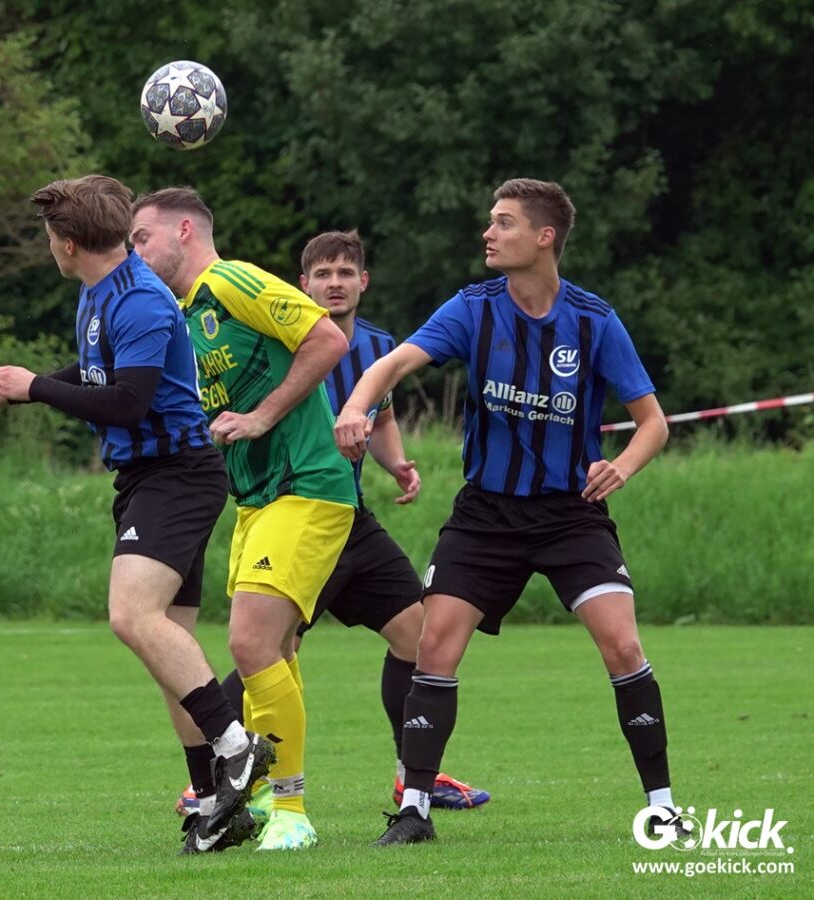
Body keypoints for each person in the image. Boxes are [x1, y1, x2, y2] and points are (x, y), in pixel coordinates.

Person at [334, 178, 682, 846]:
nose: (488, 234)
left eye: (503, 223)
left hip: (571, 514)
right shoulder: (473, 308)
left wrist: (622, 466)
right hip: (485, 517)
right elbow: (393, 365)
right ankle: (414, 812)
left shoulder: (593, 320)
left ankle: (662, 809)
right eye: (490, 221)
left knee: (623, 646)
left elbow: (653, 423)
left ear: (544, 237)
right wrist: (355, 406)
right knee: (435, 645)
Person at [0, 174, 274, 855]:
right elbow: (101, 375)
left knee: (131, 616)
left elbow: (129, 402)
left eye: (50, 237)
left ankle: (236, 747)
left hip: (177, 476)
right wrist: (19, 386)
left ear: (68, 243)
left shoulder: (137, 299)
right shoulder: (100, 291)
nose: (50, 247)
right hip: (147, 478)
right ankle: (214, 804)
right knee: (171, 647)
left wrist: (34, 387)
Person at [178, 230, 489, 817]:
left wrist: (397, 465)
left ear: (363, 282)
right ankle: (217, 777)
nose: (335, 283)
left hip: (351, 518)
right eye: (323, 275)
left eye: (346, 273)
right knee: (265, 647)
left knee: (418, 637)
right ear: (304, 286)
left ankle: (412, 776)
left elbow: (381, 416)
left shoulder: (378, 347)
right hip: (298, 508)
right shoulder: (281, 331)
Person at [129, 188, 358, 851]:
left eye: (141, 238)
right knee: (272, 652)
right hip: (257, 500)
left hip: (306, 486)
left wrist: (262, 416)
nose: (134, 253)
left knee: (250, 643)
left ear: (183, 230)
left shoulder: (232, 281)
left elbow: (328, 338)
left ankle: (291, 811)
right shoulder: (183, 313)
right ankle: (262, 799)